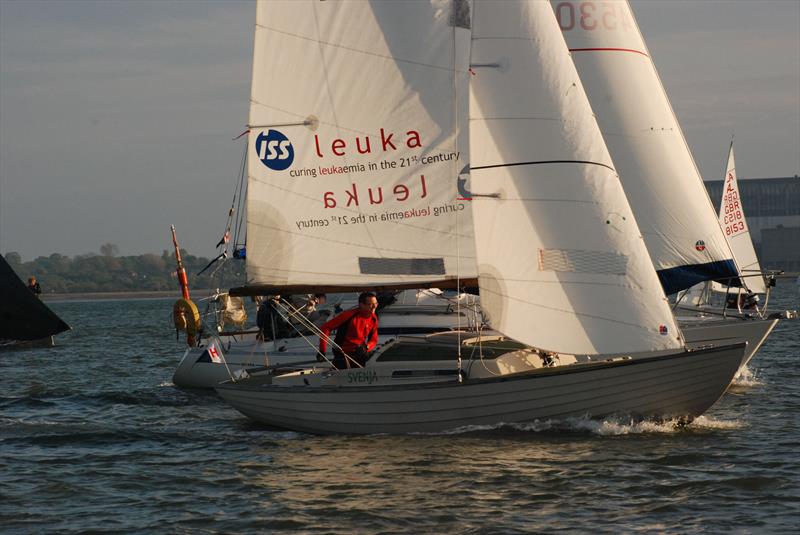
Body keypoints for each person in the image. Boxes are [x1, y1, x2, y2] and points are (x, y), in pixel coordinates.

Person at [318, 292, 378, 368]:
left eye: (376, 304)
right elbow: (326, 327)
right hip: (343, 354)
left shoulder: (373, 318)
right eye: (370, 304)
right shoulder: (349, 315)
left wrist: (367, 347)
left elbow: (374, 339)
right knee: (340, 377)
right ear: (361, 305)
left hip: (359, 354)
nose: (374, 307)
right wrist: (322, 350)